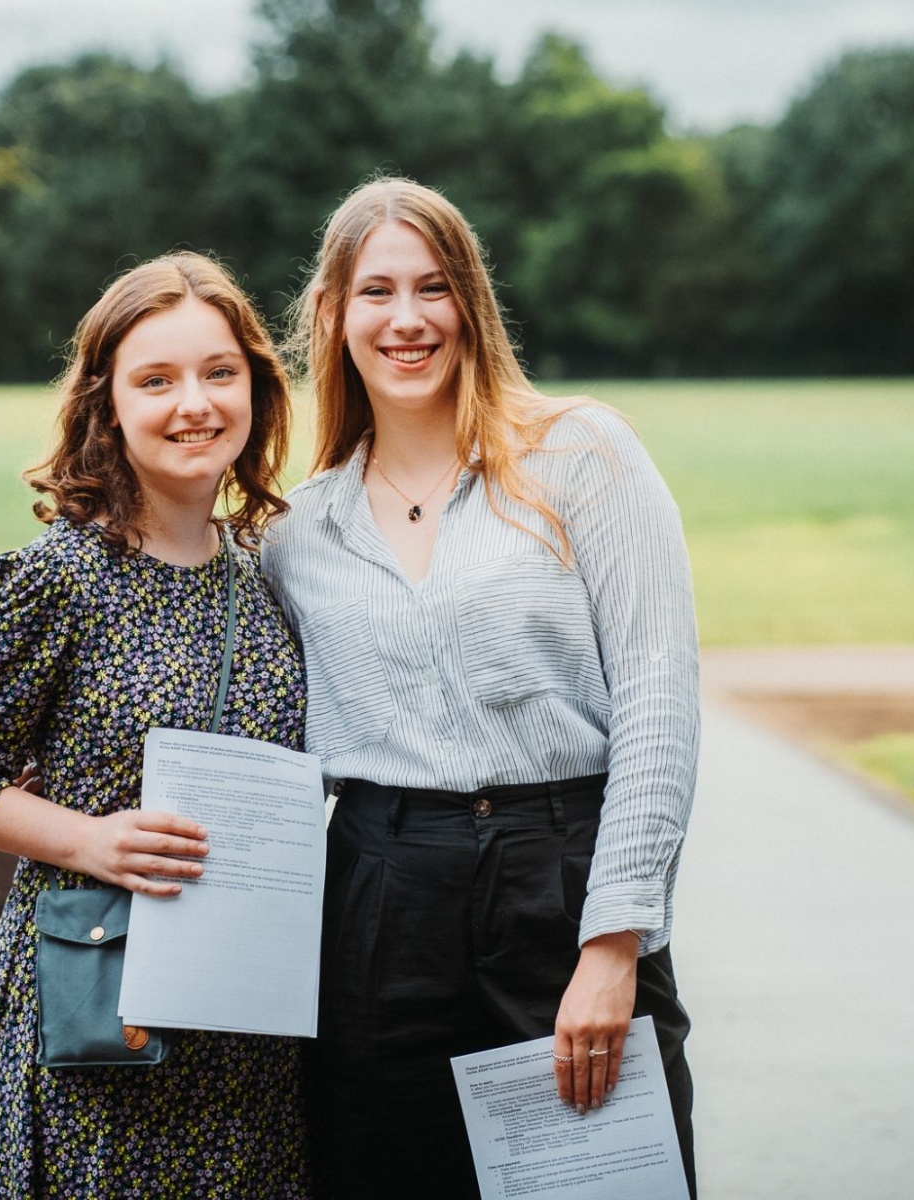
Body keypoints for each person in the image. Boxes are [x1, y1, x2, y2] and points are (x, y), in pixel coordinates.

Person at [262, 177, 700, 1199]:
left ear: (472, 302)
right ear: (331, 314)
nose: (407, 319)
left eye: (432, 287)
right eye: (376, 292)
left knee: (602, 1182)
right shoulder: (297, 530)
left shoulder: (583, 456)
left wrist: (612, 942)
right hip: (377, 897)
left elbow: (658, 702)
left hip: (562, 878)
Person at [0, 252, 314, 1199]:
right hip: (98, 1021)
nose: (193, 402)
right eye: (155, 379)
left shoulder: (266, 574)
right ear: (107, 405)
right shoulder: (61, 577)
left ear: (255, 388)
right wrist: (90, 840)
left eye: (218, 372)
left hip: (242, 1037)